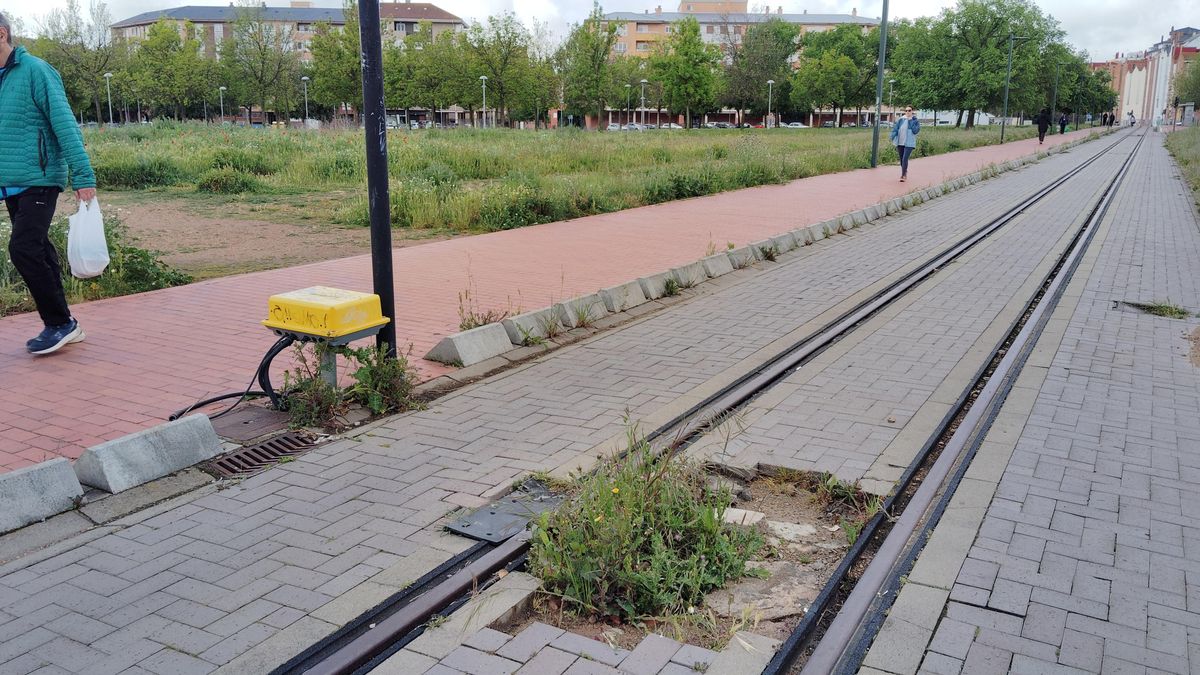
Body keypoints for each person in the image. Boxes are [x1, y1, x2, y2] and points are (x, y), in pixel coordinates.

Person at [0, 11, 97, 355]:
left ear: (1, 34)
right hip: (12, 181)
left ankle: (60, 323)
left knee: (23, 248)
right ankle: (64, 323)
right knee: (38, 248)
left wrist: (83, 175)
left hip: (40, 178)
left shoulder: (36, 71)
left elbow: (65, 124)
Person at [889, 106, 920, 182]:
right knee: (901, 159)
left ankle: (903, 175)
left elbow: (915, 131)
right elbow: (895, 129)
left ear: (912, 111)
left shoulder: (915, 120)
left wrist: (910, 120)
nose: (907, 112)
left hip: (909, 143)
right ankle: (905, 171)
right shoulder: (901, 119)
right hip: (900, 142)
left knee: (904, 158)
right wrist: (892, 136)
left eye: (909, 110)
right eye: (906, 110)